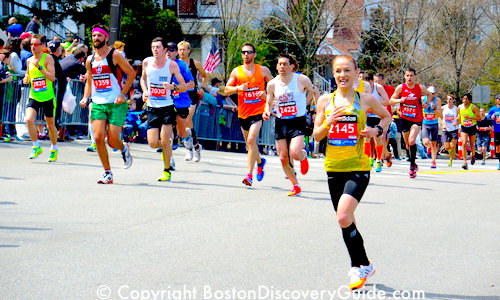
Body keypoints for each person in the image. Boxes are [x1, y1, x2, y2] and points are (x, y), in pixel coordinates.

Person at [313, 55, 391, 290]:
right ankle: (364, 263)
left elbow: (387, 116)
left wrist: (376, 129)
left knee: (343, 216)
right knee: (347, 221)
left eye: (347, 70)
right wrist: (328, 122)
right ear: (334, 74)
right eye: (338, 71)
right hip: (333, 168)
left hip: (358, 166)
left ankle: (357, 268)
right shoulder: (325, 101)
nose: (342, 75)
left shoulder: (365, 99)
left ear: (356, 73)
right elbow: (316, 135)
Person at [79, 24, 135, 184]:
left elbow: (131, 74)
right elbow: (90, 80)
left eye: (100, 36)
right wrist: (85, 97)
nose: (96, 38)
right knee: (97, 137)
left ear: (106, 38)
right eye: (94, 36)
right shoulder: (89, 60)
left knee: (112, 140)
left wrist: (123, 94)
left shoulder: (115, 55)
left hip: (116, 103)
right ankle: (107, 172)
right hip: (98, 103)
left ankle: (124, 148)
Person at [263, 53, 317, 196]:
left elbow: (315, 91)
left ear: (292, 66)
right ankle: (296, 185)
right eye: (279, 64)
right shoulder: (272, 84)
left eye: (285, 64)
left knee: (295, 152)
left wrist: (315, 109)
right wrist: (266, 112)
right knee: (283, 157)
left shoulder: (301, 79)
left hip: (297, 121)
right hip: (281, 122)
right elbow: (268, 102)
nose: (282, 67)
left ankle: (303, 156)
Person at [225, 42, 273, 186]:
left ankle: (249, 175)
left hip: (258, 112)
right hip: (243, 113)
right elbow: (226, 90)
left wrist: (265, 94)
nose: (246, 55)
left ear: (254, 54)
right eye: (243, 52)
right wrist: (238, 87)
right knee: (250, 145)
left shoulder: (263, 70)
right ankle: (260, 161)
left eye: (249, 52)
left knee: (252, 140)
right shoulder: (236, 71)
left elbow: (274, 87)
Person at [140, 37, 186, 181]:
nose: (155, 50)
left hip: (167, 107)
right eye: (153, 47)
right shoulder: (146, 62)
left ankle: (167, 171)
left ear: (164, 50)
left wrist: (173, 87)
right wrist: (145, 91)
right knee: (153, 143)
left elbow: (183, 86)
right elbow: (142, 79)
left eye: (158, 47)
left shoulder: (171, 65)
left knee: (165, 140)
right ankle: (168, 150)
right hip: (152, 107)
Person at [390, 67, 433, 178]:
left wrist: (426, 103)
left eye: (411, 75)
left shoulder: (420, 87)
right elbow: (391, 100)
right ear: (404, 76)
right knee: (408, 144)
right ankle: (413, 163)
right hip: (404, 118)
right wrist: (400, 100)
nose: (409, 78)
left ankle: (411, 167)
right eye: (407, 75)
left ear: (415, 76)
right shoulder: (401, 88)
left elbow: (430, 94)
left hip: (417, 118)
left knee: (412, 140)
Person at [22, 34, 59, 162]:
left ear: (43, 46)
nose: (33, 47)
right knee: (28, 119)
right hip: (34, 95)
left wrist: (40, 67)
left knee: (50, 125)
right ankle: (36, 146)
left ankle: (54, 148)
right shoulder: (29, 60)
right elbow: (28, 76)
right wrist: (26, 79)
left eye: (36, 44)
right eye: (31, 44)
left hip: (47, 96)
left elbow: (51, 77)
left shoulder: (47, 58)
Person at [165, 42, 194, 168]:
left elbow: (191, 84)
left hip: (181, 101)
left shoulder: (181, 65)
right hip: (165, 102)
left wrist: (178, 87)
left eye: (172, 50)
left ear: (176, 52)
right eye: (167, 50)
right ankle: (169, 160)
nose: (169, 52)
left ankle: (188, 142)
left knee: (181, 132)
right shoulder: (159, 64)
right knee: (167, 132)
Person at [177, 40, 207, 161]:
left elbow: (205, 75)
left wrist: (202, 88)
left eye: (184, 49)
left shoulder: (195, 63)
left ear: (189, 51)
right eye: (180, 50)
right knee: (184, 125)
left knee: (188, 118)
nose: (182, 52)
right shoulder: (174, 64)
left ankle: (190, 148)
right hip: (178, 95)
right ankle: (193, 146)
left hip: (191, 95)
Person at [364, 72, 390, 172]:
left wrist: (374, 104)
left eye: (368, 84)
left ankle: (378, 160)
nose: (366, 86)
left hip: (377, 116)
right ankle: (368, 159)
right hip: (367, 116)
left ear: (371, 81)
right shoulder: (361, 88)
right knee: (366, 137)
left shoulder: (378, 88)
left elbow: (387, 100)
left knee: (378, 138)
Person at [456, 93, 480, 170]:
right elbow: (459, 117)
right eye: (464, 99)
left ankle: (473, 155)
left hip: (472, 126)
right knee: (464, 143)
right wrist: (457, 121)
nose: (465, 101)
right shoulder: (460, 107)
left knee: (472, 144)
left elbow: (479, 118)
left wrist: (470, 117)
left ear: (470, 100)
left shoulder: (473, 107)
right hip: (464, 127)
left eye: (466, 99)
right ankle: (465, 162)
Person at [421, 86, 442, 168]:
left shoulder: (437, 100)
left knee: (434, 143)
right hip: (425, 123)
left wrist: (434, 109)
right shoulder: (423, 99)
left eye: (432, 93)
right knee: (426, 142)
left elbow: (440, 114)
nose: (431, 95)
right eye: (429, 93)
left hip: (434, 123)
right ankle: (428, 148)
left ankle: (433, 161)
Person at [439, 94, 459, 166]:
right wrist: (442, 124)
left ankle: (450, 160)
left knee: (453, 145)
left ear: (453, 100)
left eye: (450, 99)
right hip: (446, 129)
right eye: (448, 99)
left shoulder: (456, 109)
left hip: (454, 129)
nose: (449, 100)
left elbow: (460, 117)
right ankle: (452, 153)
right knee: (447, 147)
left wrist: (457, 122)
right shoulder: (443, 108)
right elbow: (439, 116)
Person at [486, 95, 500, 170]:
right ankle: (499, 162)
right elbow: (488, 117)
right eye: (498, 99)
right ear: (496, 100)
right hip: (497, 130)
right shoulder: (493, 109)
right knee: (498, 148)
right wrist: (491, 118)